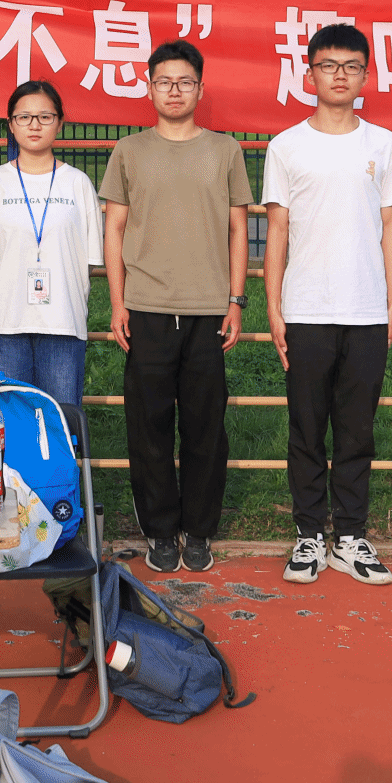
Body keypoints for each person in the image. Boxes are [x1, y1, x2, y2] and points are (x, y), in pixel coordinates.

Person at [263, 22, 392, 586]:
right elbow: (277, 231)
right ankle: (308, 536)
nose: (339, 75)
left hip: (366, 310)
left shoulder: (383, 144)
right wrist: (274, 309)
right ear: (310, 75)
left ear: (365, 76)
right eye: (328, 65)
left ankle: (349, 536)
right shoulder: (286, 146)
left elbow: (390, 226)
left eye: (350, 66)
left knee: (356, 430)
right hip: (306, 309)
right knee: (306, 428)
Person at [102, 41, 252, 575]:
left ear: (200, 89)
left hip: (208, 309)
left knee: (206, 427)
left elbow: (239, 228)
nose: (174, 90)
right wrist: (117, 302)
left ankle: (199, 530)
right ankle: (161, 530)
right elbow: (114, 228)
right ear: (149, 88)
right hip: (145, 307)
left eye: (185, 82)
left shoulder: (225, 150)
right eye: (164, 81)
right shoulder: (128, 151)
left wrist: (235, 300)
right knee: (149, 426)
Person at [0, 81, 103, 407]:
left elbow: (87, 258)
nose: (34, 125)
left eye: (45, 117)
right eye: (24, 117)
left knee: (60, 420)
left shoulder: (78, 183)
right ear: (11, 124)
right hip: (5, 323)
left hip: (63, 321)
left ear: (60, 123)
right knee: (7, 421)